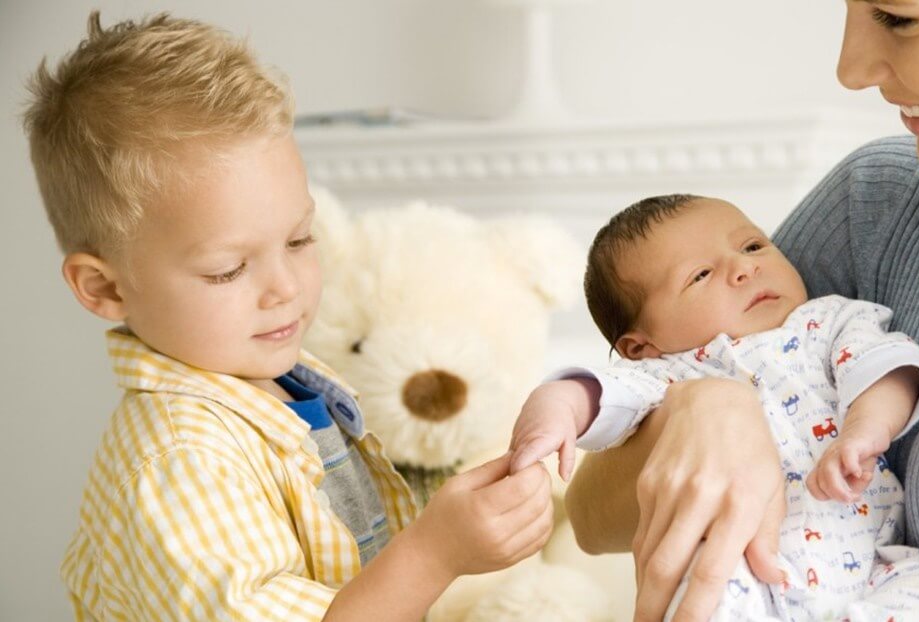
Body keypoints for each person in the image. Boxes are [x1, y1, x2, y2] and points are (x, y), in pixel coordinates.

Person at [24, 13, 553, 621]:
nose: (285, 287)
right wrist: (433, 555)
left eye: (300, 240)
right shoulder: (181, 462)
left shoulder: (289, 384)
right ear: (105, 288)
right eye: (227, 269)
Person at [552, 2, 919, 621]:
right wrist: (704, 404)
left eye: (897, 15)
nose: (849, 69)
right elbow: (588, 515)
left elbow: (880, 361)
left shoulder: (836, 318)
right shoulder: (874, 203)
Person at [509, 194, 919, 620]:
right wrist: (554, 409)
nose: (744, 269)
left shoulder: (827, 321)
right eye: (701, 275)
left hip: (875, 562)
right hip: (740, 563)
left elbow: (884, 367)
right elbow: (594, 396)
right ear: (640, 345)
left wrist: (866, 430)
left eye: (751, 246)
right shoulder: (666, 375)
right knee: (703, 594)